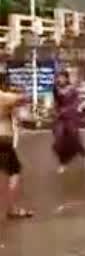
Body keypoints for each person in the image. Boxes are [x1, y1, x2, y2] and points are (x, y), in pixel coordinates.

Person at [0, 74, 32, 218]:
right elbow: (26, 97)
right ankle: (12, 209)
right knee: (14, 172)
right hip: (3, 139)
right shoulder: (4, 97)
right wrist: (17, 90)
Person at [51, 70, 85, 174]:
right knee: (59, 139)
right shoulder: (56, 89)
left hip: (71, 117)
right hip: (60, 118)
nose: (59, 80)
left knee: (74, 137)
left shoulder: (73, 90)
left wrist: (66, 110)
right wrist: (55, 110)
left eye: (62, 77)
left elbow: (76, 103)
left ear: (67, 78)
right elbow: (56, 102)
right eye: (58, 77)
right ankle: (62, 163)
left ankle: (83, 154)